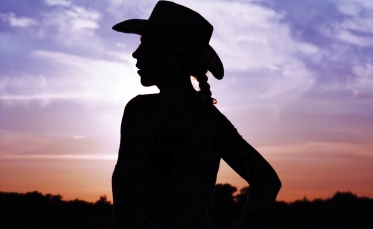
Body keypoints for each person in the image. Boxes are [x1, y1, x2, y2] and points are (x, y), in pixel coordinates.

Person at [111, 1, 281, 228]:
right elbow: (266, 181)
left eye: (146, 44)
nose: (136, 53)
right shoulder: (209, 119)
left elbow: (126, 199)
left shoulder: (141, 111)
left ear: (169, 53)